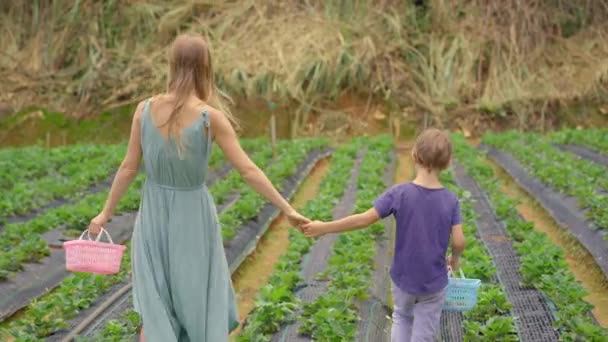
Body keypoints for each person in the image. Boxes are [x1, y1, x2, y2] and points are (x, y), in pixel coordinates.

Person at [88, 34, 309, 342]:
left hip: (152, 216)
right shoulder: (210, 118)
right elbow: (247, 170)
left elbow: (128, 167)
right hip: (192, 219)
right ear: (207, 67)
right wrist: (288, 209)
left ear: (172, 65)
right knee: (195, 302)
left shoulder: (144, 110)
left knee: (156, 307)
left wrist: (104, 214)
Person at [302, 128, 466, 342]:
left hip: (403, 278)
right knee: (425, 328)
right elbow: (459, 240)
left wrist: (323, 227)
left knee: (402, 317)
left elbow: (363, 219)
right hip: (433, 281)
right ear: (448, 162)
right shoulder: (451, 200)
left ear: (414, 155)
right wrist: (455, 258)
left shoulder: (399, 193)